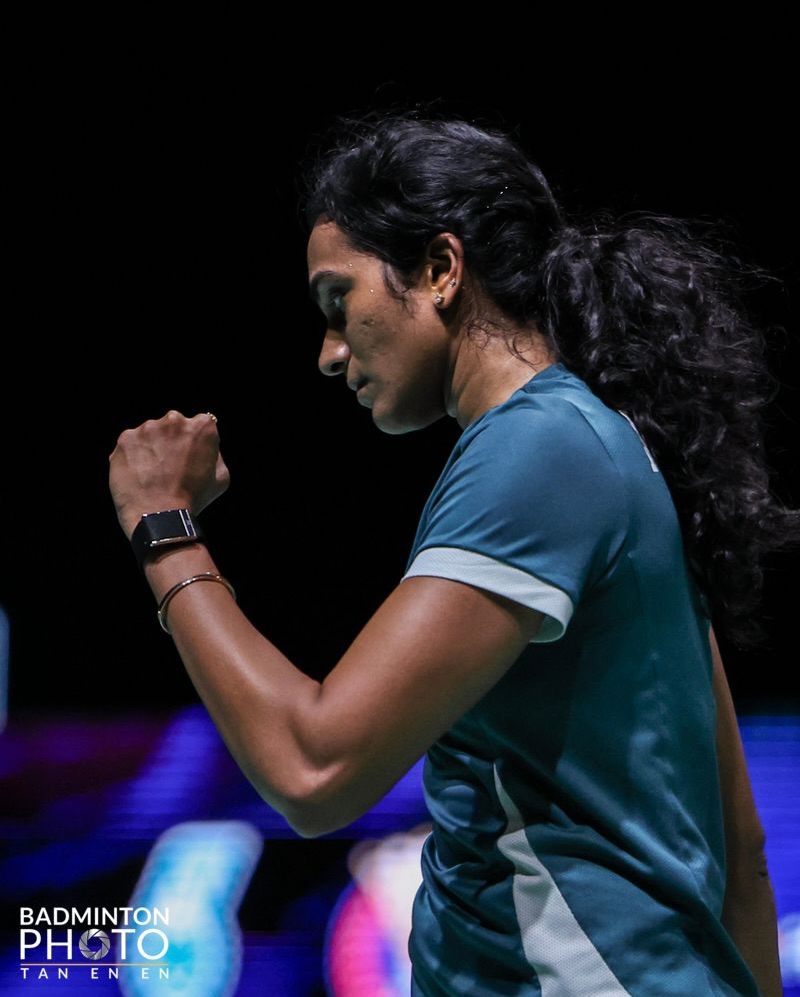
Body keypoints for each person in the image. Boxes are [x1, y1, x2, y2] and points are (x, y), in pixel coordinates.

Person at [108, 110, 795, 996]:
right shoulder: (600, 444)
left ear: (440, 268)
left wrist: (163, 529)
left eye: (339, 303)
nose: (328, 354)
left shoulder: (539, 450)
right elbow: (741, 845)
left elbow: (314, 768)